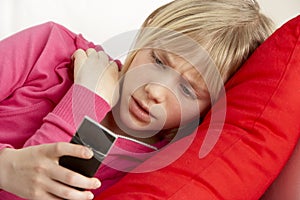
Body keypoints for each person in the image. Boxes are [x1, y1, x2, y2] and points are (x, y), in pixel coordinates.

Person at [0, 0, 274, 199]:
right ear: (146, 34)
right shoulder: (50, 48)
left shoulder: (153, 174)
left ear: (207, 110)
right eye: (157, 60)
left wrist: (86, 100)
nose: (155, 90)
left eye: (189, 90)